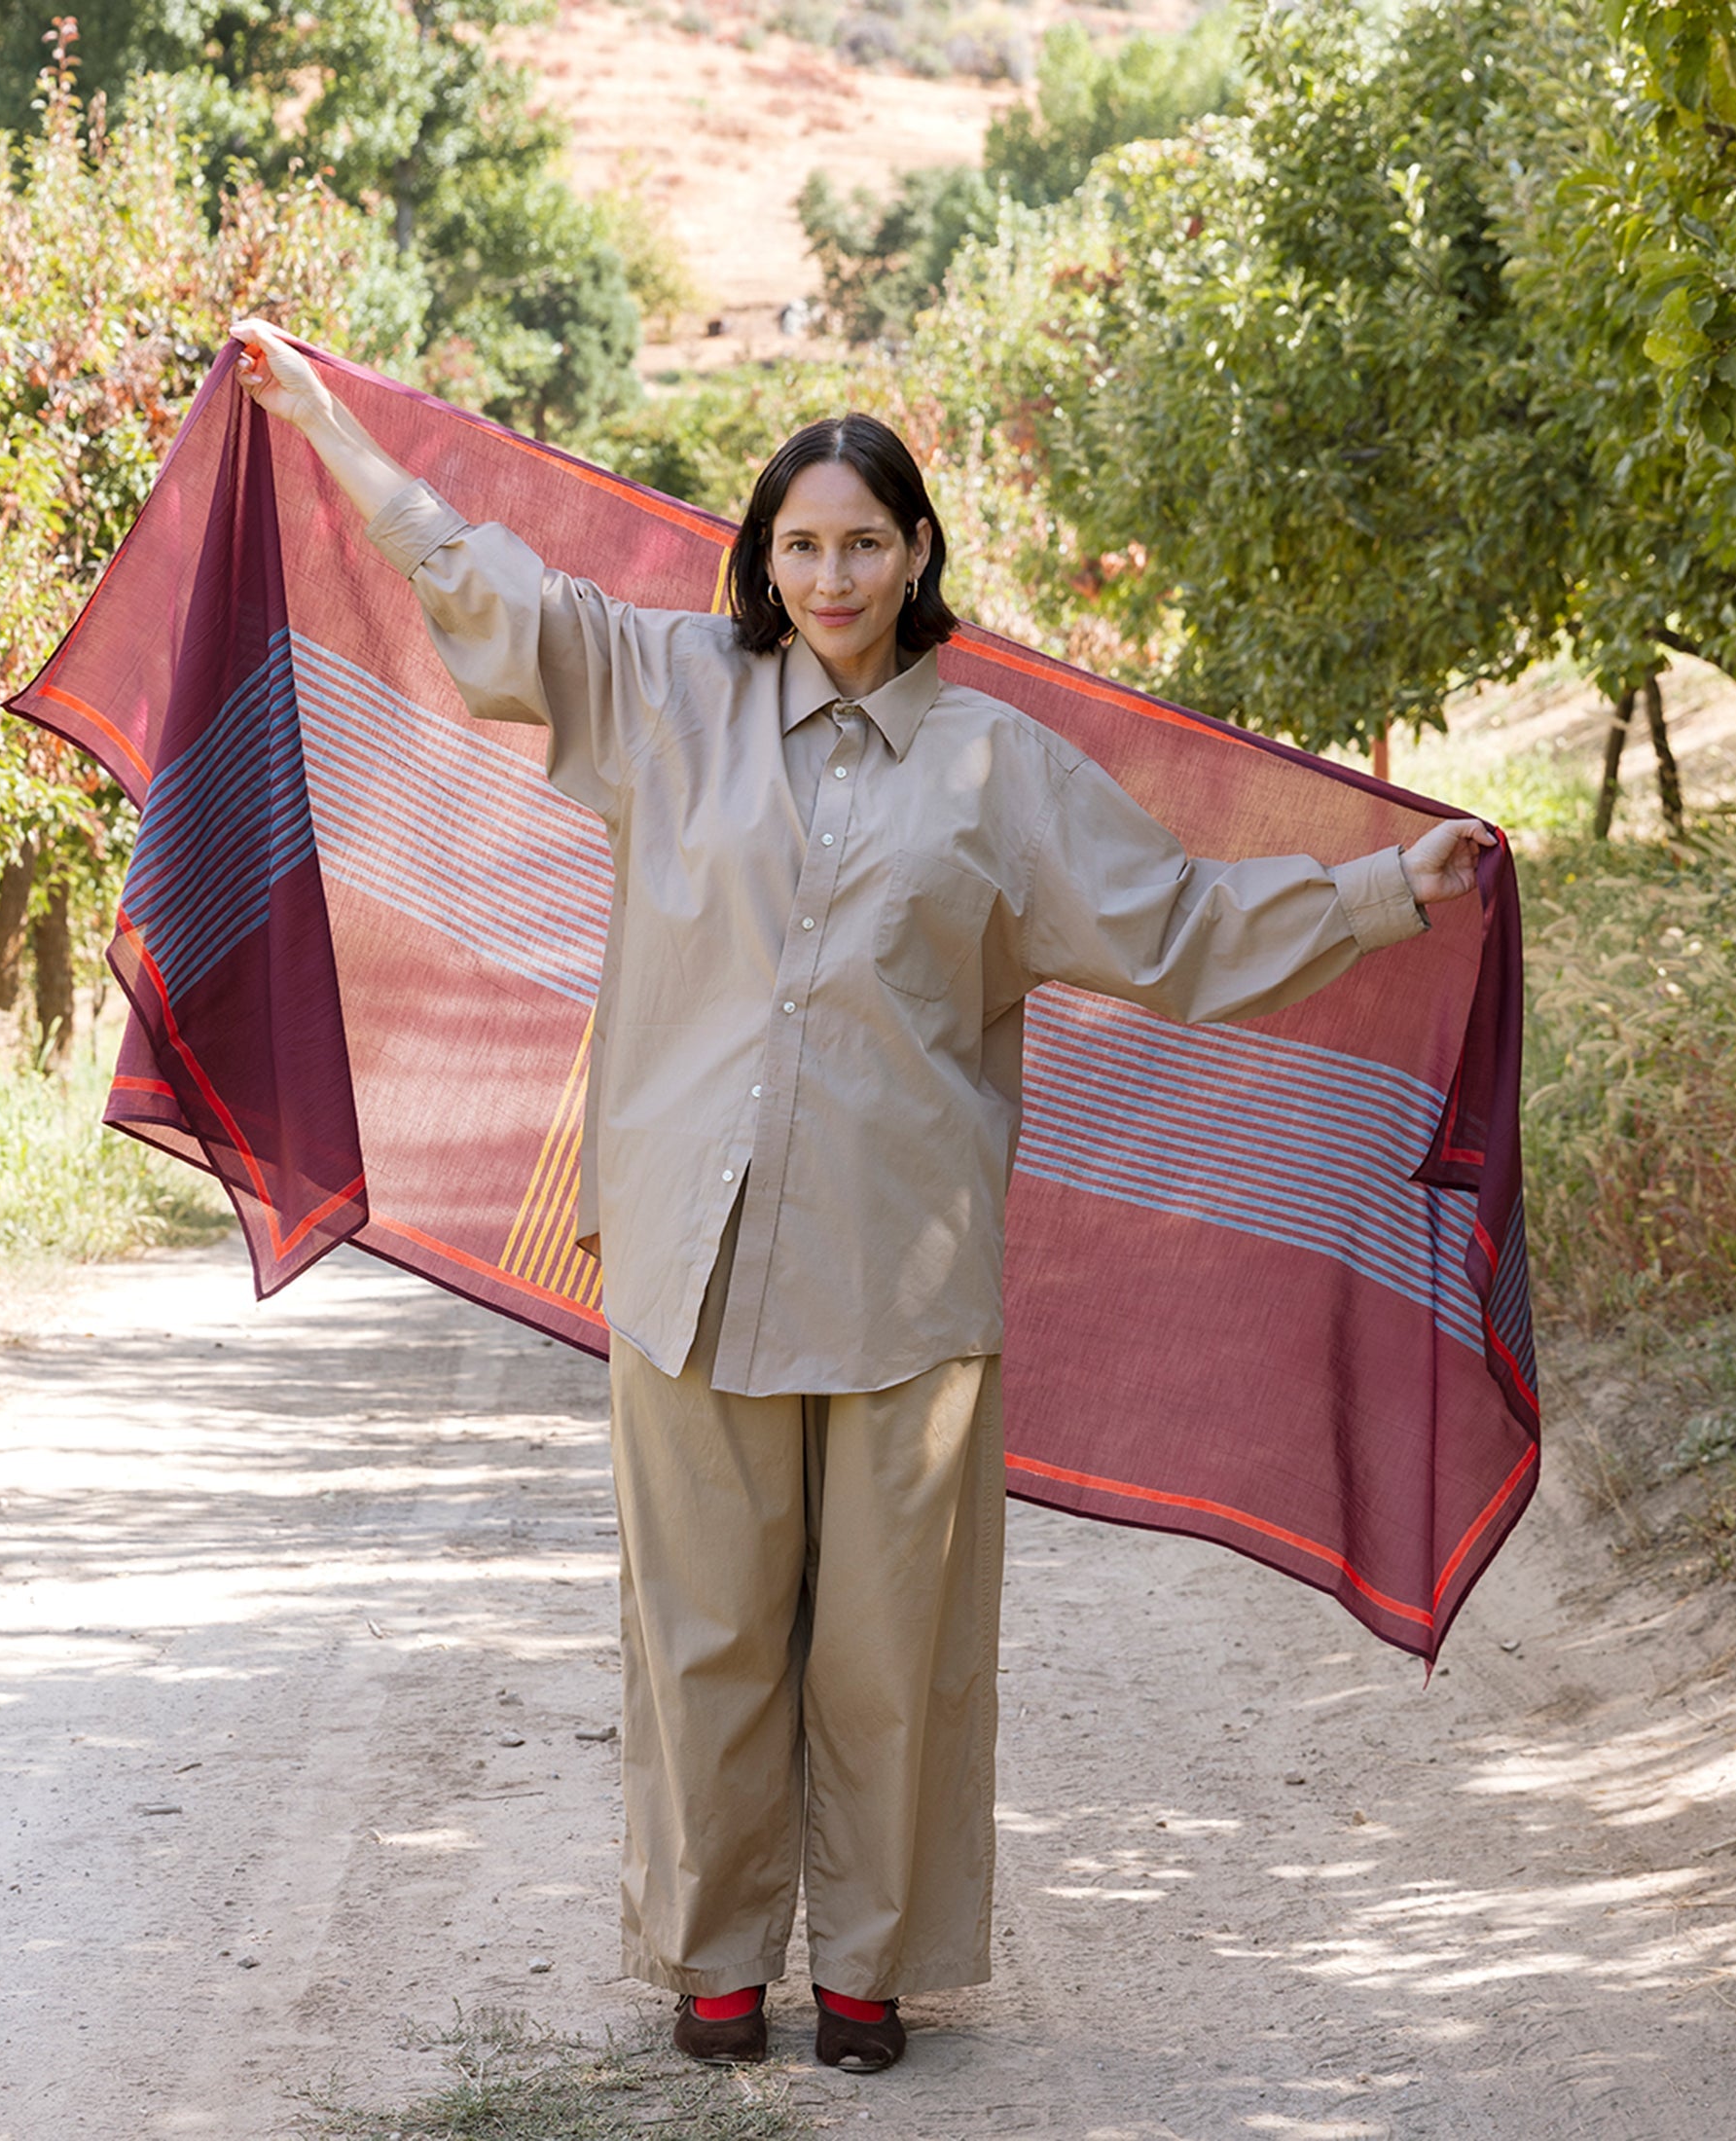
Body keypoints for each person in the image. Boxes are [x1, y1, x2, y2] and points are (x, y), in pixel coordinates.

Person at [230, 318, 1492, 2075]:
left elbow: (1181, 929)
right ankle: (715, 1963)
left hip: (907, 1276)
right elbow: (483, 585)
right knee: (708, 1630)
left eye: (866, 542)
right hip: (687, 1250)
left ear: (919, 559)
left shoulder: (1000, 770)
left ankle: (869, 1976)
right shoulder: (663, 692)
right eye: (801, 543)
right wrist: (330, 425)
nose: (832, 574)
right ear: (762, 558)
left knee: (895, 1651)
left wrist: (1386, 896)